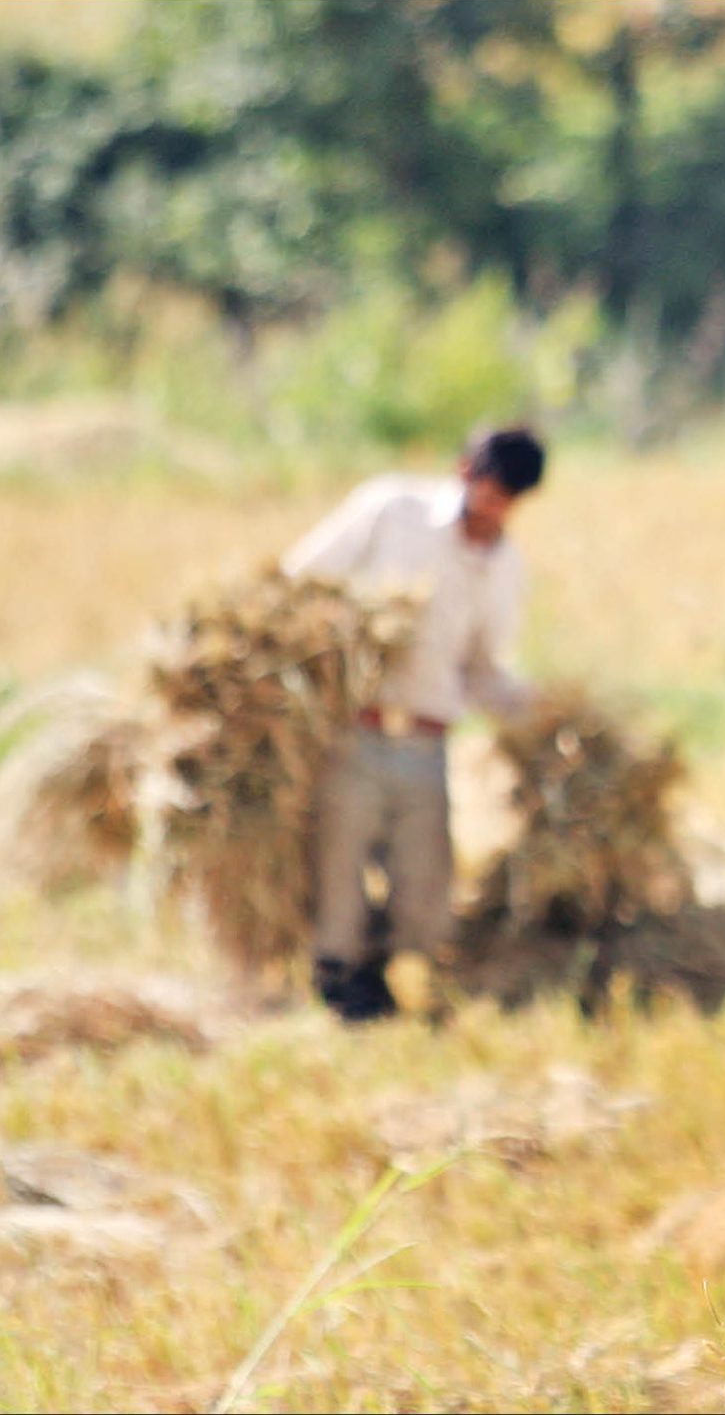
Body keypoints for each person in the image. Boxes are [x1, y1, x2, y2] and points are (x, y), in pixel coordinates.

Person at [282, 426, 545, 1019]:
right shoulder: (392, 510)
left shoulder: (505, 569)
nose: (490, 505)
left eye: (505, 497)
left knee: (424, 886)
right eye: (485, 487)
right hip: (355, 729)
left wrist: (539, 714)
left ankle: (378, 974)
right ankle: (337, 980)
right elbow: (299, 579)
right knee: (339, 867)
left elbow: (481, 668)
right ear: (463, 472)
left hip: (427, 743)